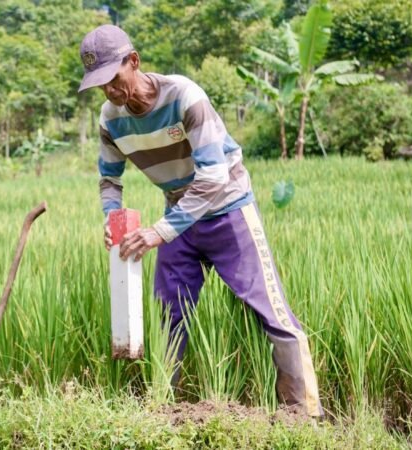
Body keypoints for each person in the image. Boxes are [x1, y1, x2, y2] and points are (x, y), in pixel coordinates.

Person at [78, 25, 322, 417]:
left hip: (228, 209)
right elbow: (109, 179)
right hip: (178, 215)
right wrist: (112, 217)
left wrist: (159, 231)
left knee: (269, 310)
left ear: (134, 62)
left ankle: (304, 415)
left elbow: (213, 177)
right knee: (168, 316)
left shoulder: (184, 96)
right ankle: (162, 412)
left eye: (113, 78)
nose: (108, 90)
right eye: (99, 84)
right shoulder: (111, 121)